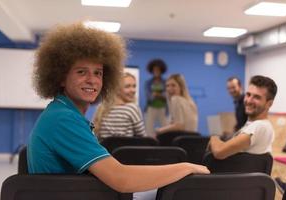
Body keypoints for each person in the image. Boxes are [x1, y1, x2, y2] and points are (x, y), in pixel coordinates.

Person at [27, 22, 210, 196]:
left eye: (98, 73)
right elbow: (121, 179)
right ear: (60, 77)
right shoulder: (63, 119)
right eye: (81, 72)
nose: (92, 80)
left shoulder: (62, 112)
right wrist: (186, 167)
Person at [209, 75, 277, 159]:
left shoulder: (260, 126)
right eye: (248, 95)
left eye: (257, 97)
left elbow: (219, 152)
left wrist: (214, 132)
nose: (249, 101)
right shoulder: (252, 125)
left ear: (269, 104)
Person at [93, 72, 146, 138]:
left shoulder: (101, 108)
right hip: (127, 148)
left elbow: (96, 137)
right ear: (117, 89)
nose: (133, 90)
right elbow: (143, 138)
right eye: (127, 86)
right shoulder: (132, 108)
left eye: (134, 86)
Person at [144, 59, 168, 137]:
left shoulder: (166, 82)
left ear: (161, 71)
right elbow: (149, 96)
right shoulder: (148, 83)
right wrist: (160, 95)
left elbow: (167, 96)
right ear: (152, 71)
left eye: (158, 70)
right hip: (151, 108)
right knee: (149, 129)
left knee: (166, 128)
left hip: (163, 108)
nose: (156, 71)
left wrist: (157, 95)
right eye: (154, 70)